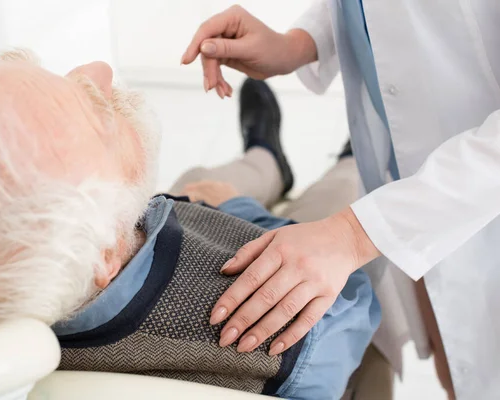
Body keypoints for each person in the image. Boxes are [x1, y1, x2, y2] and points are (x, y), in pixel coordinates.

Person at [0, 51, 378, 399]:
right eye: (96, 109)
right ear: (106, 251)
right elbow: (348, 311)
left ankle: (266, 158)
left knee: (199, 182)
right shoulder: (258, 332)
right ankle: (347, 160)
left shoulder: (38, 274)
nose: (98, 69)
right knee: (338, 194)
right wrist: (337, 237)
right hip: (300, 279)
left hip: (191, 221)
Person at [181, 3, 500, 399]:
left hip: (473, 187)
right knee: (456, 366)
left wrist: (351, 234)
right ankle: (291, 157)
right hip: (414, 178)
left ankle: (273, 155)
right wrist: (299, 44)